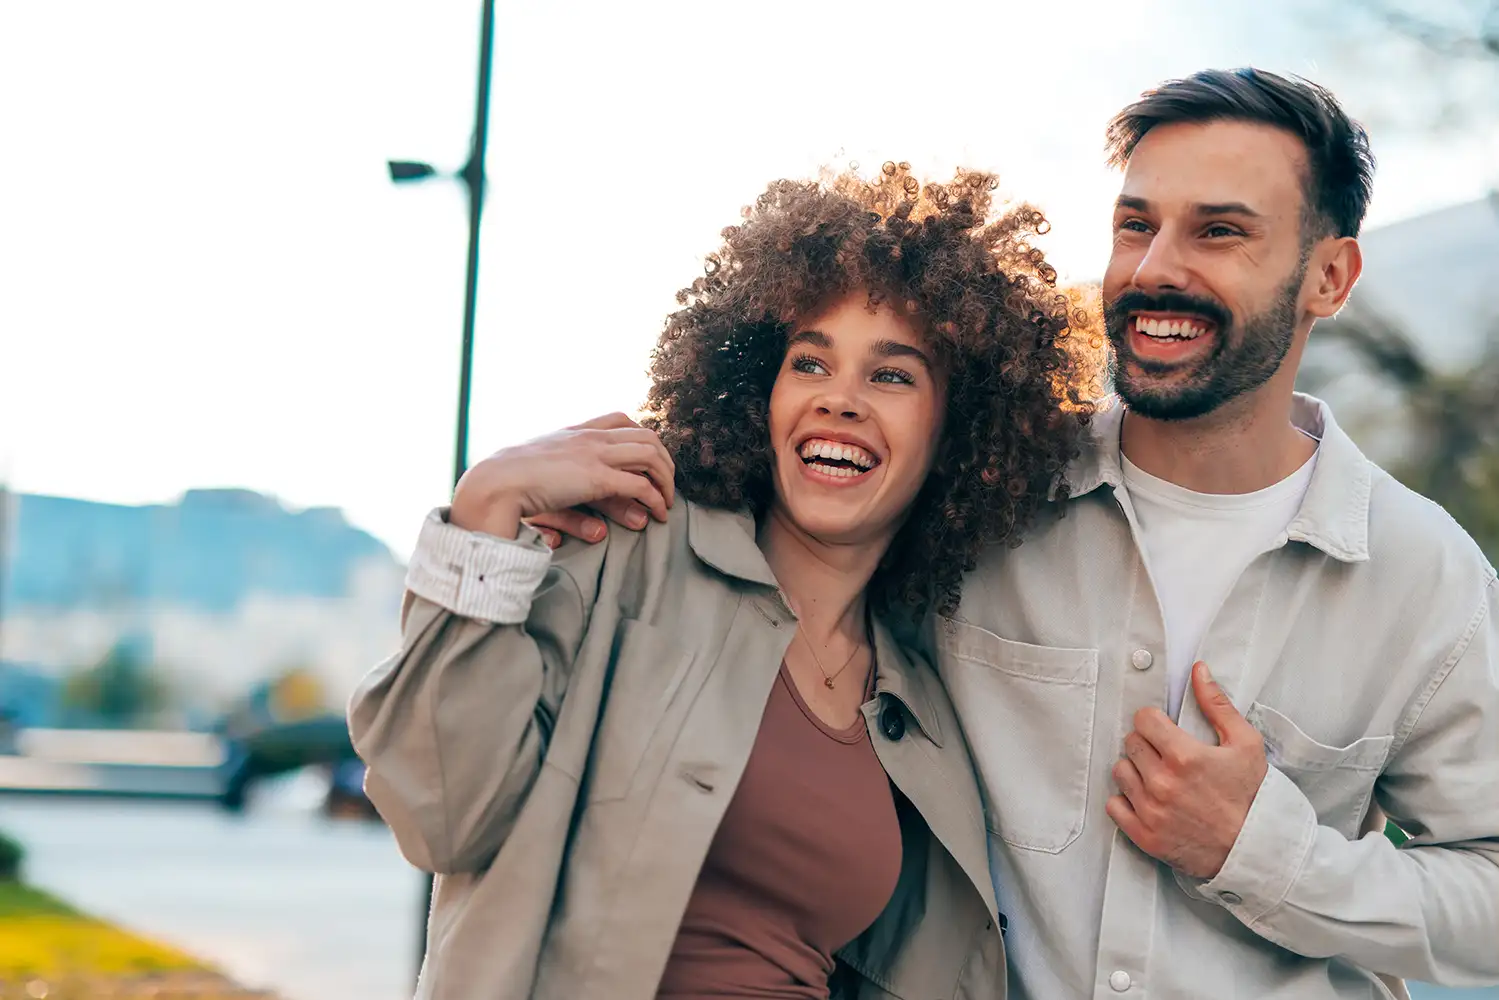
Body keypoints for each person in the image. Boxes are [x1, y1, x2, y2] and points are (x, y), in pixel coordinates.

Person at [534, 70, 1499, 999]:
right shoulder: (981, 491)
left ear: (1328, 276)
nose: (1157, 268)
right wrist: (538, 513)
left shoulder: (1425, 577)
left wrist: (1265, 856)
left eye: (1218, 232)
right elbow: (795, 498)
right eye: (1135, 225)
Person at [348, 162, 1092, 999]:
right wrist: (485, 509)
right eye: (809, 364)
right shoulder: (624, 552)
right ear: (757, 393)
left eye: (890, 375)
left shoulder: (920, 705)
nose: (839, 400)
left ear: (957, 434)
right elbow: (438, 808)